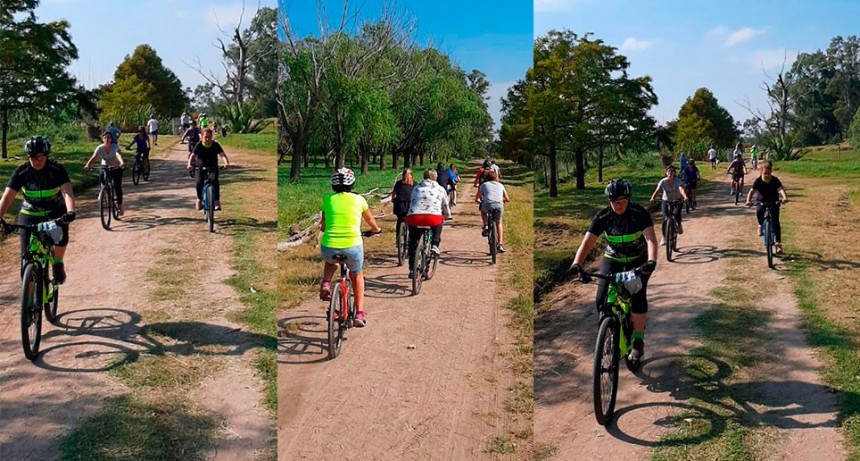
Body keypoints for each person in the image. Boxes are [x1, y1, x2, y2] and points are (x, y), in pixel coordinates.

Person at [569, 179, 658, 364]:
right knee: (601, 299)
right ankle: (608, 332)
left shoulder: (638, 213)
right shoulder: (603, 216)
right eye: (614, 202)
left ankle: (638, 342)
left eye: (623, 201)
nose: (619, 205)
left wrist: (651, 261)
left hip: (637, 261)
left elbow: (651, 239)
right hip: (613, 259)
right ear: (609, 201)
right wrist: (577, 263)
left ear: (629, 199)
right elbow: (587, 243)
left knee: (637, 297)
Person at [0, 136, 76, 284]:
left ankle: (58, 263)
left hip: (54, 213)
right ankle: (28, 303)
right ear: (28, 156)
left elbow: (67, 193)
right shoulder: (22, 172)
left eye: (41, 157)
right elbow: (7, 198)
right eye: (33, 157)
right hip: (30, 213)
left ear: (47, 155)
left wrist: (70, 212)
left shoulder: (56, 169)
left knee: (60, 239)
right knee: (26, 259)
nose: (37, 160)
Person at [319, 167, 381, 328]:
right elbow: (370, 221)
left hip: (329, 245)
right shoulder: (359, 200)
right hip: (353, 245)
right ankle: (359, 313)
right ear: (352, 184)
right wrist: (376, 230)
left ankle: (326, 283)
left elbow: (323, 226)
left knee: (331, 261)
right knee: (357, 275)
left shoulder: (327, 199)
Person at [405, 169, 451, 279]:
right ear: (435, 178)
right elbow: (445, 204)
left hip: (414, 217)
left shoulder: (416, 187)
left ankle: (412, 268)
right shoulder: (440, 189)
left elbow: (412, 201)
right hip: (432, 218)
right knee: (440, 220)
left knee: (413, 241)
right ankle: (434, 244)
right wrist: (447, 215)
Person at [745, 161, 788, 253]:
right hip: (761, 202)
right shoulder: (758, 181)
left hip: (773, 201)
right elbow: (752, 191)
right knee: (759, 211)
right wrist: (748, 200)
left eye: (768, 173)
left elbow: (780, 189)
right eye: (765, 173)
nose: (767, 175)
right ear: (761, 173)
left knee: (776, 222)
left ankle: (778, 244)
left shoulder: (775, 180)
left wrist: (784, 197)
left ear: (771, 172)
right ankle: (760, 225)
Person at [186, 128, 230, 211]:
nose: (207, 139)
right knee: (199, 183)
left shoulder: (215, 145)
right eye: (205, 137)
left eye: (209, 137)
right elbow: (192, 156)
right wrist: (189, 164)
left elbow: (222, 155)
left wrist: (226, 163)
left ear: (212, 137)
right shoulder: (199, 145)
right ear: (202, 137)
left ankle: (217, 201)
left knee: (214, 181)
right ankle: (199, 199)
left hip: (213, 167)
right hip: (200, 168)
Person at [84, 131, 126, 216]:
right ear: (103, 139)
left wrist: (122, 163)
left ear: (111, 139)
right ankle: (103, 191)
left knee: (117, 187)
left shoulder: (115, 147)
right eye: (105, 137)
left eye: (109, 137)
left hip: (116, 167)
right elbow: (94, 157)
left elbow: (118, 155)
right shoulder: (99, 148)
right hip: (105, 166)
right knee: (102, 176)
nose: (107, 139)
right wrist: (87, 165)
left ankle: (120, 206)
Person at [649, 165, 689, 245]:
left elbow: (681, 189)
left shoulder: (677, 181)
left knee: (676, 214)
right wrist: (653, 198)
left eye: (672, 171)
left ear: (674, 173)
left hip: (677, 200)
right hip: (666, 201)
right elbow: (658, 190)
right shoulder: (663, 181)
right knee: (665, 218)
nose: (670, 172)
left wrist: (685, 197)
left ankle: (679, 224)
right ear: (666, 173)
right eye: (668, 171)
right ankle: (664, 237)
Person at [475, 169, 510, 253]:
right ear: (496, 178)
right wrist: (501, 200)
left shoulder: (483, 185)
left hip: (487, 204)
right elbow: (507, 199)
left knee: (483, 211)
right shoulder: (500, 185)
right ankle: (500, 244)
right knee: (498, 223)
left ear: (486, 178)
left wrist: (479, 201)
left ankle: (486, 225)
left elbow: (477, 198)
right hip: (498, 205)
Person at [390, 167, 414, 244]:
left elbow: (394, 193)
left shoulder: (398, 183)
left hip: (399, 206)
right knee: (411, 223)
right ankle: (411, 239)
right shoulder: (415, 184)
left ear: (402, 175)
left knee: (400, 220)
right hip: (410, 206)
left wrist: (393, 199)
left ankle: (398, 238)